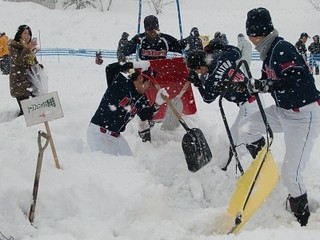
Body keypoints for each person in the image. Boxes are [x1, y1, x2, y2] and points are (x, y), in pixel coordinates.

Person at [236, 7, 320, 227]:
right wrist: (249, 86)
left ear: (258, 31)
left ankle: (301, 219)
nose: (250, 38)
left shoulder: (282, 48)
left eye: (251, 33)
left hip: (304, 116)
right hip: (283, 111)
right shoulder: (269, 53)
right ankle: (265, 168)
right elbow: (268, 84)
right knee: (246, 128)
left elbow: (298, 81)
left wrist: (267, 84)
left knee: (291, 175)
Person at [186, 38, 259, 170]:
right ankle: (224, 168)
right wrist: (222, 46)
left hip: (249, 103)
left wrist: (197, 84)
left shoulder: (211, 79)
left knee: (244, 137)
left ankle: (256, 165)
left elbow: (207, 98)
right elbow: (236, 51)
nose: (198, 73)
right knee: (232, 138)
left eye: (197, 70)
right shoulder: (223, 57)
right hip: (251, 100)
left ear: (201, 65)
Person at [123, 15, 186, 142]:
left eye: (154, 29)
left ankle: (164, 127)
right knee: (142, 109)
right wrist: (131, 44)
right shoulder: (140, 39)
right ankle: (145, 139)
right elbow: (124, 51)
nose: (152, 32)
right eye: (149, 30)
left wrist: (185, 44)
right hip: (143, 80)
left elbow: (183, 48)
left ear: (158, 28)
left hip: (159, 78)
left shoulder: (165, 40)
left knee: (160, 104)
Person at [87, 67, 169, 156]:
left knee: (130, 165)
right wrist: (132, 65)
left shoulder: (142, 98)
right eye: (149, 83)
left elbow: (145, 115)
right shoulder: (121, 83)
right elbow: (110, 69)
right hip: (99, 134)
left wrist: (157, 103)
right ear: (140, 78)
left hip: (116, 136)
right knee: (107, 167)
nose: (149, 88)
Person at [7, 25, 39, 116]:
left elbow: (32, 63)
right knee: (26, 112)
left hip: (30, 83)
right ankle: (19, 128)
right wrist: (28, 49)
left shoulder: (28, 48)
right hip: (20, 83)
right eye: (25, 33)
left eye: (29, 34)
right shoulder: (14, 47)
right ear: (19, 35)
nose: (27, 36)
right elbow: (18, 63)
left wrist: (38, 67)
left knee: (34, 111)